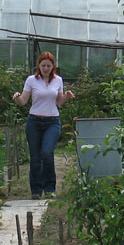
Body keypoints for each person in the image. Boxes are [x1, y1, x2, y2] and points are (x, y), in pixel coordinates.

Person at [12, 51, 74, 199]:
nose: (46, 68)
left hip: (52, 122)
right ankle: (36, 190)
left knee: (47, 153)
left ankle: (49, 188)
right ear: (38, 66)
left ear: (53, 66)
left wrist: (66, 96)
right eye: (43, 65)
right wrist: (17, 98)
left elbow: (59, 102)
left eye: (48, 66)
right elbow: (23, 101)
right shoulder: (31, 80)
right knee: (35, 158)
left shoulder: (58, 80)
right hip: (34, 122)